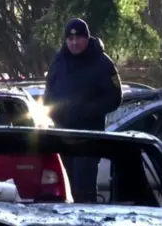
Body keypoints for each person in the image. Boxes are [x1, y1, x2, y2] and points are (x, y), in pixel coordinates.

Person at [43, 18, 122, 203]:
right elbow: (49, 91)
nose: (74, 42)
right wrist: (52, 110)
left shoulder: (102, 63)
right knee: (62, 190)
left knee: (83, 190)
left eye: (79, 38)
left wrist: (86, 111)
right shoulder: (59, 60)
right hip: (61, 137)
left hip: (88, 138)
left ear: (87, 38)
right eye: (70, 39)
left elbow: (114, 98)